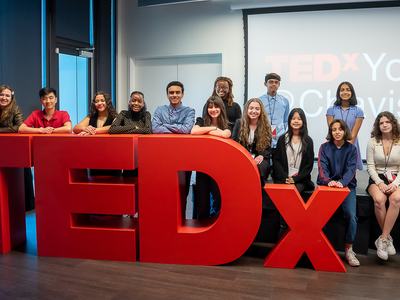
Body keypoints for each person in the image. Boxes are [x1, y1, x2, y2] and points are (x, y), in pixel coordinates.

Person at [317, 119, 359, 267]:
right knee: (319, 215)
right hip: (327, 185)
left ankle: (349, 249)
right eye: (334, 129)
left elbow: (351, 171)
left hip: (346, 186)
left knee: (351, 215)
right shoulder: (324, 147)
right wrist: (328, 181)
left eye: (340, 129)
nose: (337, 132)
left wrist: (342, 183)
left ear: (345, 131)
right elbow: (322, 169)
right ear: (331, 132)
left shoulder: (352, 149)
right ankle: (320, 247)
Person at [366, 111, 400, 261]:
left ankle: (383, 239)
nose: (384, 125)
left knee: (396, 199)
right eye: (381, 123)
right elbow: (370, 166)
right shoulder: (373, 141)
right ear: (378, 126)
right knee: (379, 200)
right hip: (377, 178)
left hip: (396, 178)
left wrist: (395, 184)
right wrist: (379, 183)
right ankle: (387, 239)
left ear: (393, 123)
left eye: (387, 122)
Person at [191, 95, 231, 219]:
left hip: (220, 169)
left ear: (221, 108)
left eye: (216, 107)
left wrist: (205, 131)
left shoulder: (228, 124)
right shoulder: (200, 120)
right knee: (202, 204)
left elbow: (225, 134)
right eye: (210, 107)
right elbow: (193, 131)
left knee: (219, 202)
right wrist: (214, 128)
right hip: (202, 168)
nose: (213, 109)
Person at [272, 108, 314, 194]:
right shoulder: (282, 139)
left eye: (299, 119)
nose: (296, 121)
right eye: (293, 118)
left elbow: (308, 165)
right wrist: (285, 178)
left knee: (293, 192)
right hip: (283, 178)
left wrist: (295, 179)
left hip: (300, 180)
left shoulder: (308, 141)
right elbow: (276, 161)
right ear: (289, 121)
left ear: (303, 122)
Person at [232, 98, 272, 184]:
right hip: (242, 157)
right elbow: (234, 144)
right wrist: (246, 158)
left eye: (257, 109)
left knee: (259, 168)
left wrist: (261, 156)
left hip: (260, 158)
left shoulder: (266, 126)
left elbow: (267, 148)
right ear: (247, 109)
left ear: (261, 111)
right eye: (251, 108)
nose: (254, 111)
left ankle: (257, 192)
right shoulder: (239, 123)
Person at [326, 81, 364, 170]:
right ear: (338, 93)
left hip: (351, 146)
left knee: (350, 177)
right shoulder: (331, 110)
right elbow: (333, 132)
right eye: (342, 90)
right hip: (335, 146)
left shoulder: (358, 111)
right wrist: (338, 149)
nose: (345, 92)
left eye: (348, 90)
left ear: (352, 93)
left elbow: (353, 135)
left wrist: (344, 150)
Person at [259, 73, 290, 148]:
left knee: (278, 159)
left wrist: (281, 132)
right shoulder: (259, 101)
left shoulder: (284, 101)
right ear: (265, 84)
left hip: (280, 139)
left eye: (276, 82)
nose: (274, 84)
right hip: (263, 138)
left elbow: (286, 120)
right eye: (271, 82)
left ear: (279, 84)